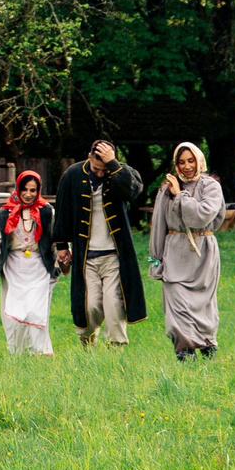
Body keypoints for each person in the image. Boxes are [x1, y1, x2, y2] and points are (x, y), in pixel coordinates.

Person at [52, 140, 146, 349]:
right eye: (97, 168)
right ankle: (88, 339)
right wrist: (61, 245)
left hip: (114, 255)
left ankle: (117, 348)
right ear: (89, 157)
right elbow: (63, 210)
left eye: (105, 168)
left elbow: (134, 192)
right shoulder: (73, 174)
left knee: (114, 305)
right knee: (90, 305)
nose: (101, 173)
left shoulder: (121, 172)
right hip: (86, 255)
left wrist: (112, 164)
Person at [148, 140, 227, 361]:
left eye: (190, 160)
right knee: (176, 303)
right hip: (175, 252)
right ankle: (184, 351)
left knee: (203, 303)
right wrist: (156, 259)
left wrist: (180, 195)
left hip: (203, 252)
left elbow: (201, 216)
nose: (186, 166)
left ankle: (207, 343)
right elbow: (159, 225)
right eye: (181, 162)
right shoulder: (167, 189)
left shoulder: (210, 186)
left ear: (199, 160)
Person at [0, 169, 57, 355]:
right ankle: (17, 352)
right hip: (13, 266)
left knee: (37, 310)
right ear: (18, 189)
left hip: (39, 266)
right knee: (13, 312)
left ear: (39, 190)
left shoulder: (47, 211)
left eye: (33, 190)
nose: (28, 194)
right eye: (24, 189)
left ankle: (40, 352)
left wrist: (61, 261)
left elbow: (57, 239)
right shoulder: (4, 213)